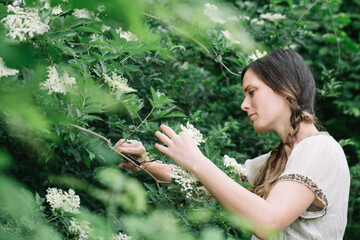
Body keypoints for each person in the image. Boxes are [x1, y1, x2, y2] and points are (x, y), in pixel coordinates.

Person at [116, 50, 350, 239]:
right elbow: (209, 187)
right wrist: (145, 163)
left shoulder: (320, 149)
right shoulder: (277, 159)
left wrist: (197, 160)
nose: (244, 105)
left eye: (252, 92)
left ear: (285, 88)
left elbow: (268, 222)